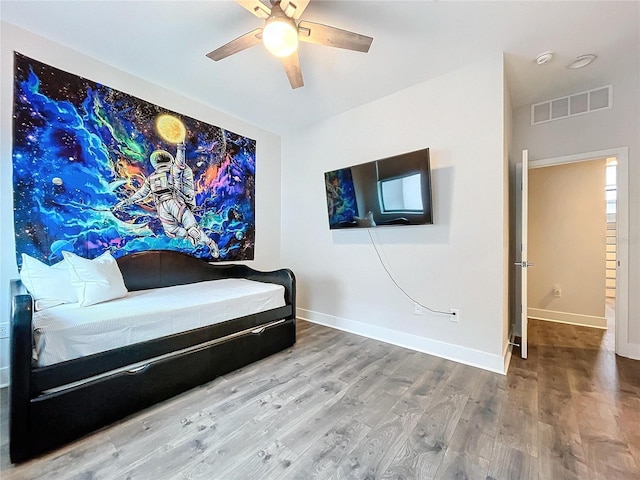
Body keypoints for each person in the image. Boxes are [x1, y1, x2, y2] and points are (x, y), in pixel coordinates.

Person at [114, 144, 219, 258]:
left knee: (175, 230)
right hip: (172, 204)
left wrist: (125, 202)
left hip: (166, 205)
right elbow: (179, 164)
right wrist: (180, 148)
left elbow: (140, 194)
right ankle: (203, 240)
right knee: (182, 228)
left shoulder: (159, 175)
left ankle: (201, 239)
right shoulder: (166, 173)